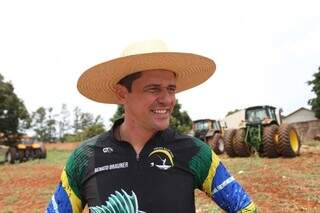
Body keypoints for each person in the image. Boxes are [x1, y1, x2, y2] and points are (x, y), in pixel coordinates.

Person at [46, 40, 257, 213]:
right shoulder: (85, 157)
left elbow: (246, 209)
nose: (167, 100)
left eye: (171, 89)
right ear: (122, 93)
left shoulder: (195, 152)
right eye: (154, 89)